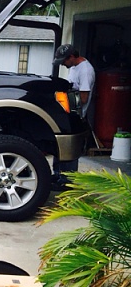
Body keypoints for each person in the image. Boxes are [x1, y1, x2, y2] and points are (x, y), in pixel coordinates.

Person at [51, 44, 96, 190]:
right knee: (60, 144)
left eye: (64, 61)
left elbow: (83, 98)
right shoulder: (73, 68)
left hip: (76, 114)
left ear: (71, 57)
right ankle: (57, 174)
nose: (63, 64)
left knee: (70, 147)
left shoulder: (86, 70)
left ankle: (68, 180)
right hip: (66, 113)